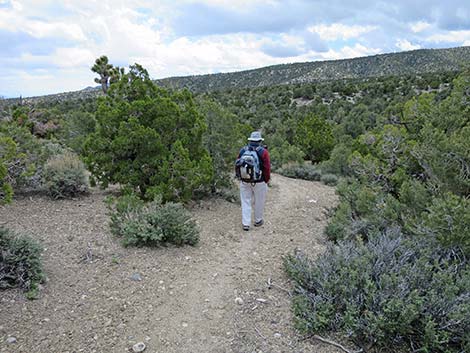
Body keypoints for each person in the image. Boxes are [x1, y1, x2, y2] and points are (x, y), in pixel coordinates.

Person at [236, 131, 271, 231]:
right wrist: (266, 179)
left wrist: (239, 176)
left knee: (245, 201)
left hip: (244, 180)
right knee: (259, 201)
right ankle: (258, 220)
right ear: (259, 141)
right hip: (259, 181)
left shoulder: (243, 150)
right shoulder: (263, 152)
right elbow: (267, 167)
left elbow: (237, 163)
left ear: (250, 140)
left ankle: (246, 223)